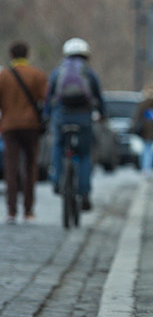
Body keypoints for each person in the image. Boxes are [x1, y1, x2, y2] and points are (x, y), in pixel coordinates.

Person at [46, 38, 106, 212]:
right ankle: (84, 192)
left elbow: (49, 97)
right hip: (83, 117)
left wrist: (47, 115)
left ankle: (57, 180)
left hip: (62, 116)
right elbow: (99, 97)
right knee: (85, 153)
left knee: (58, 145)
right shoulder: (89, 72)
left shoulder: (58, 71)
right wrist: (103, 114)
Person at [0, 41, 47, 223]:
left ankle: (11, 211)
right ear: (27, 55)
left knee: (11, 167)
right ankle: (28, 210)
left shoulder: (3, 76)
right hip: (31, 126)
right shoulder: (37, 74)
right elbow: (46, 99)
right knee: (30, 166)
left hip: (9, 126)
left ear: (11, 55)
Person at [132, 85, 153, 177]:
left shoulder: (144, 103)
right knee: (150, 148)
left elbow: (137, 116)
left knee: (145, 148)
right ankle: (148, 168)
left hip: (145, 129)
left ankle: (145, 167)